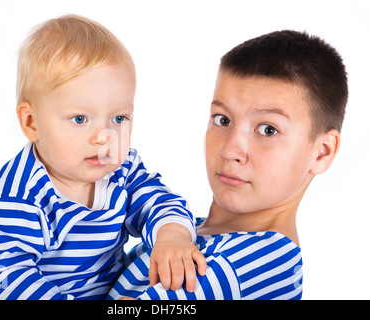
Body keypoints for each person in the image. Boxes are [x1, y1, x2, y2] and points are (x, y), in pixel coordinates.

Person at [0, 14, 206, 300]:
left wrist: (172, 234)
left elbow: (158, 200)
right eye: (80, 119)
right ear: (32, 123)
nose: (104, 137)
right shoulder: (14, 198)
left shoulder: (121, 169)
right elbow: (8, 283)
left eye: (119, 118)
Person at [108, 30, 348, 300]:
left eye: (268, 130)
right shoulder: (184, 228)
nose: (230, 149)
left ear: (322, 152)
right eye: (222, 120)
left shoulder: (266, 262)